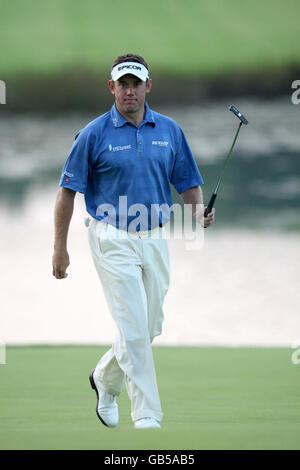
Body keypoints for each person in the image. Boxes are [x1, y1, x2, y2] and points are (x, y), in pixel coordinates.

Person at [52, 53, 215, 430]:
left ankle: (104, 380)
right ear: (112, 87)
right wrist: (60, 248)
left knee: (150, 324)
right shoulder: (92, 134)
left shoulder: (170, 130)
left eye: (135, 84)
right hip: (110, 236)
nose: (129, 91)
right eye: (122, 84)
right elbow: (66, 193)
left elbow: (187, 181)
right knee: (134, 327)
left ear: (148, 87)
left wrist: (198, 212)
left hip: (155, 233)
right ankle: (147, 417)